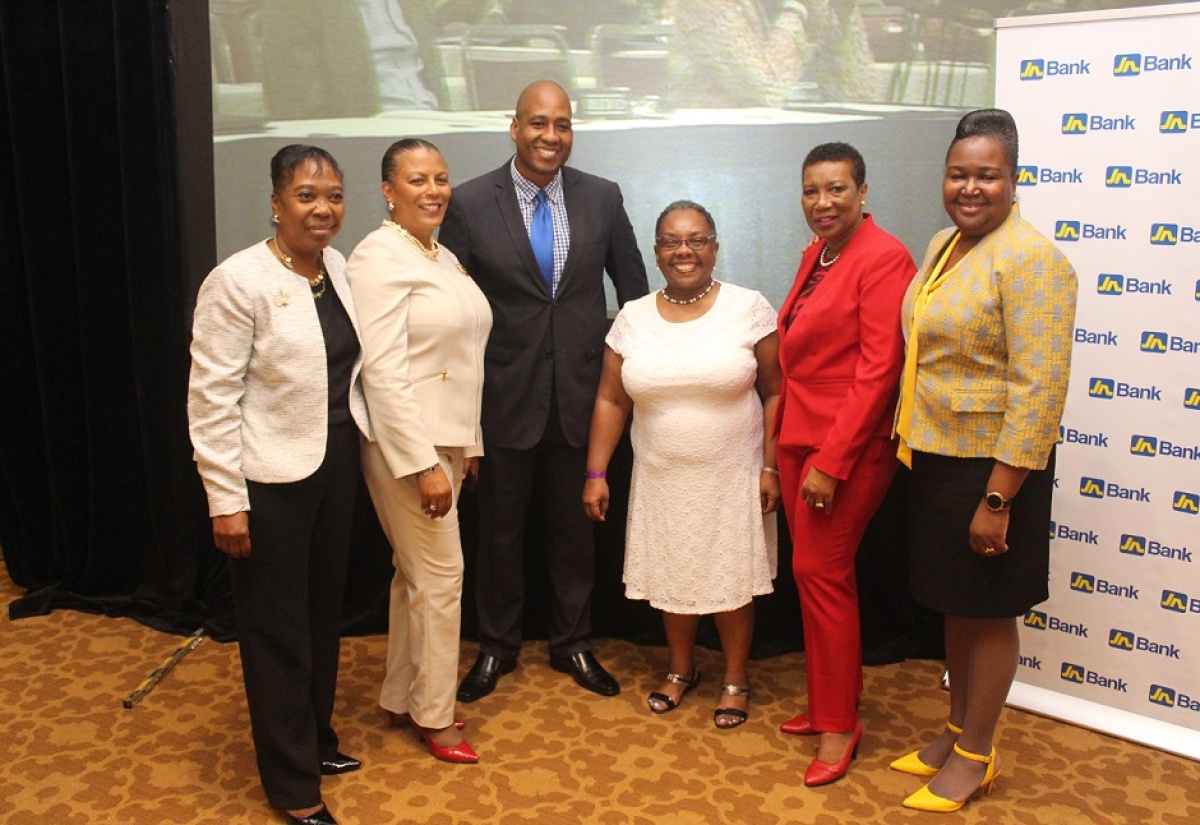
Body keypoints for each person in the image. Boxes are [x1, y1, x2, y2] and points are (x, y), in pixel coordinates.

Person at [439, 79, 649, 702]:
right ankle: (496, 648)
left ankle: (574, 643)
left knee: (574, 532)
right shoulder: (471, 203)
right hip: (501, 397)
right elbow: (447, 309)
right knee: (498, 533)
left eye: (561, 124)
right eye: (537, 123)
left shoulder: (603, 198)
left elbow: (633, 296)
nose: (549, 136)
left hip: (584, 398)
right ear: (513, 127)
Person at [892, 109, 1077, 813]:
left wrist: (999, 499)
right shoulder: (946, 243)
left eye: (987, 175)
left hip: (995, 471)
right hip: (938, 457)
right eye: (959, 173)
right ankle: (952, 731)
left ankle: (977, 754)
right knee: (955, 606)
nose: (970, 188)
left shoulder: (1033, 259)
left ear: (1013, 179)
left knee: (991, 611)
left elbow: (1038, 390)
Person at [188, 145, 369, 825]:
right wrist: (226, 500)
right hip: (268, 482)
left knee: (322, 617)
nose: (322, 208)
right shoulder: (237, 281)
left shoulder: (339, 269)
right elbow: (210, 399)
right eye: (305, 195)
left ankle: (315, 739)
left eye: (333, 195)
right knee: (276, 631)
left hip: (334, 467)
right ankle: (292, 785)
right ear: (274, 202)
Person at [583, 201, 781, 728]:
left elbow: (776, 390)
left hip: (733, 474)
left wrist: (771, 467)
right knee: (672, 571)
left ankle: (736, 677)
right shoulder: (632, 317)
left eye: (696, 240)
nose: (684, 251)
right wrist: (596, 472)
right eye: (671, 241)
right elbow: (610, 400)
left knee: (733, 576)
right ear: (656, 252)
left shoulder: (749, 308)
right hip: (662, 476)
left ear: (715, 247)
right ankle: (680, 668)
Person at [346, 139, 492, 763]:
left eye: (440, 178)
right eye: (416, 180)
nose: (432, 189)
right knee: (441, 575)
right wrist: (423, 462)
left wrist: (470, 442)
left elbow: (462, 360)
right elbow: (381, 371)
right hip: (408, 446)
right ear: (388, 190)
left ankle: (403, 694)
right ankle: (434, 713)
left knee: (416, 574)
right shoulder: (377, 256)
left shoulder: (439, 254)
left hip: (447, 441)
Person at [775, 142, 916, 785]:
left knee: (820, 572)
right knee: (820, 579)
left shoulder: (884, 257)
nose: (822, 202)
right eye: (811, 190)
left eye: (836, 189)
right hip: (801, 437)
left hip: (846, 448)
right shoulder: (818, 254)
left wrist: (831, 463)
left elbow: (879, 371)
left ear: (862, 192)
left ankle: (839, 726)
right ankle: (834, 696)